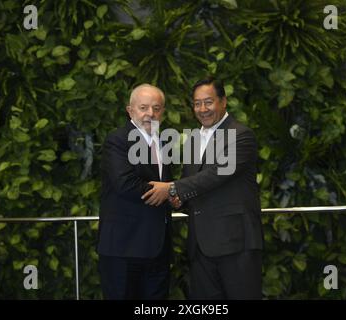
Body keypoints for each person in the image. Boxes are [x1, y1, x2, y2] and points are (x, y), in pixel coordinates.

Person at [142, 77, 264, 299]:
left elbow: (216, 174)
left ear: (223, 102)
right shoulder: (194, 139)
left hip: (236, 244)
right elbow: (191, 182)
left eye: (208, 102)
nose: (202, 109)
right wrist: (180, 200)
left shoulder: (241, 135)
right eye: (197, 103)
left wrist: (171, 188)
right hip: (200, 247)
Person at [97, 84, 173, 300]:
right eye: (143, 107)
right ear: (130, 110)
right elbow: (125, 184)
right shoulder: (117, 140)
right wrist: (168, 191)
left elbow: (166, 184)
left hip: (158, 250)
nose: (151, 113)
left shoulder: (165, 141)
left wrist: (175, 194)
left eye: (157, 108)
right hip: (123, 250)